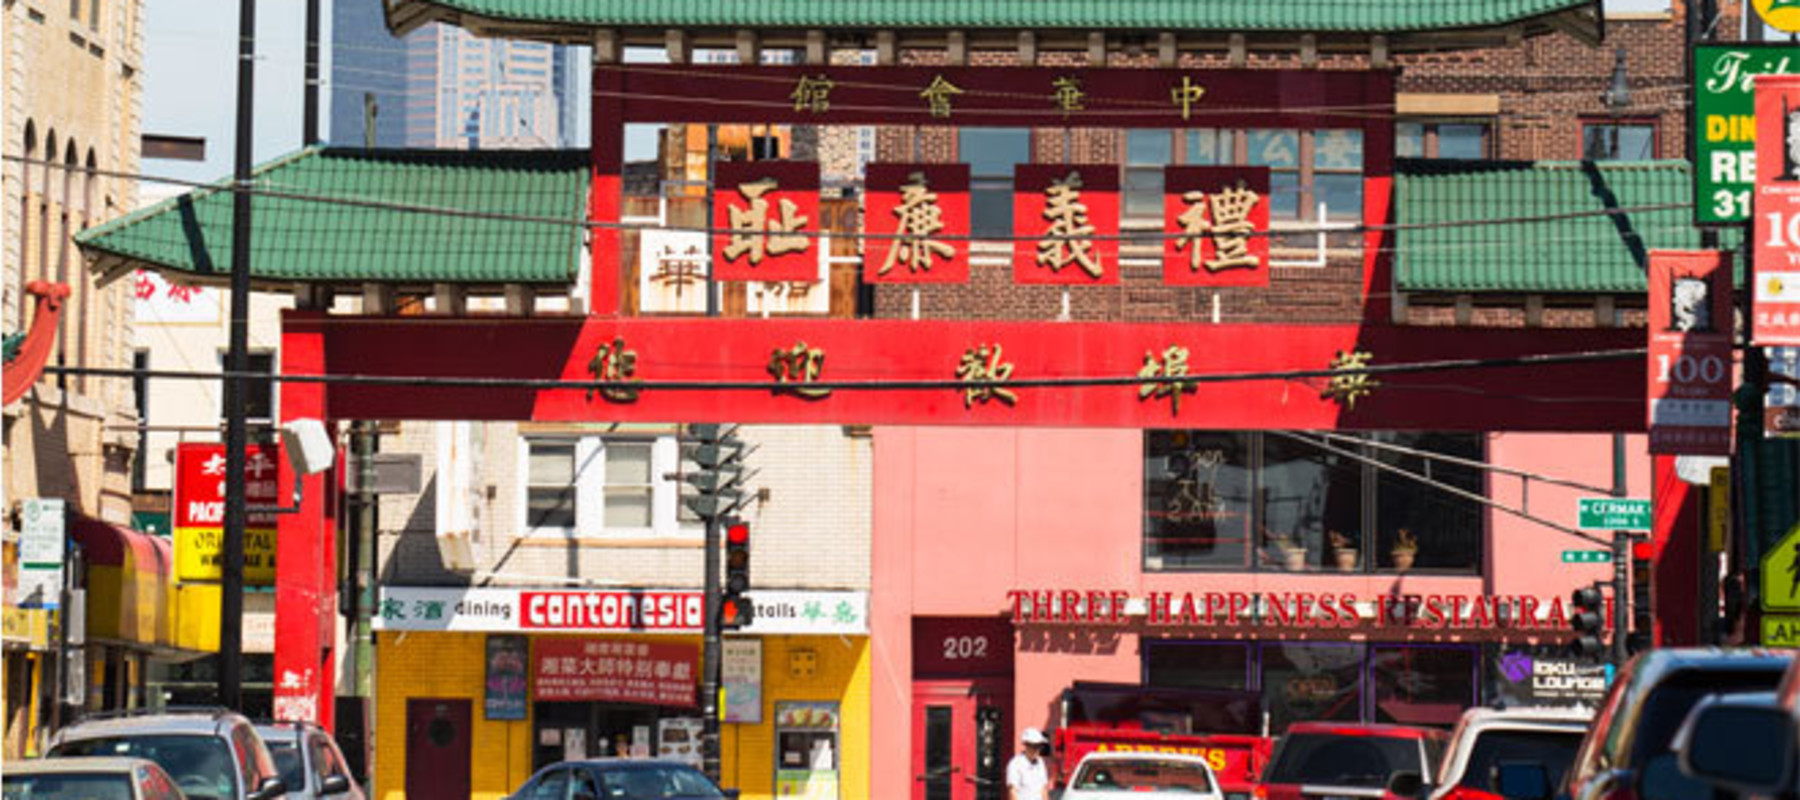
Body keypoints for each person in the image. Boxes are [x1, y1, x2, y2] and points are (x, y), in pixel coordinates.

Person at [1006, 727, 1051, 800]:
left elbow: (1043, 789)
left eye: (1039, 746)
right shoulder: (1015, 764)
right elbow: (1012, 792)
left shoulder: (1040, 763)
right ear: (1027, 745)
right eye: (1034, 746)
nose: (1037, 750)